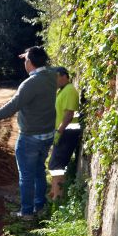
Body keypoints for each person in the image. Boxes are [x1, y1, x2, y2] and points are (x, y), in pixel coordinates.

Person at [0, 46, 57, 220]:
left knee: (26, 176)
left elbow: (11, 107)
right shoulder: (51, 76)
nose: (24, 62)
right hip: (47, 135)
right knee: (39, 170)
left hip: (30, 138)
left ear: (30, 63)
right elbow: (43, 63)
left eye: (26, 60)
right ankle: (39, 206)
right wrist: (30, 54)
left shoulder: (30, 84)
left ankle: (26, 212)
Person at [48, 67, 81, 199]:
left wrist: (59, 131)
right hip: (64, 132)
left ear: (64, 76)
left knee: (58, 165)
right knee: (54, 164)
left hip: (67, 133)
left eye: (55, 78)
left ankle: (58, 198)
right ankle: (53, 193)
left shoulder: (69, 91)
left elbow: (68, 114)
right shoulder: (62, 91)